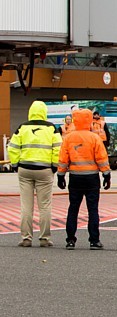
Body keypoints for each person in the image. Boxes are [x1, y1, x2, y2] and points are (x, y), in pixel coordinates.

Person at [7, 101, 62, 247]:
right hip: (44, 170)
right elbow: (58, 149)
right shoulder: (51, 128)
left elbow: (12, 147)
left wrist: (15, 164)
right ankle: (44, 238)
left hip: (25, 169)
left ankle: (26, 238)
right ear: (44, 112)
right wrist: (54, 166)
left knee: (26, 206)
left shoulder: (22, 127)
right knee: (44, 206)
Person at [57, 108, 111, 250]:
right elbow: (102, 158)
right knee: (92, 209)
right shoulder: (94, 138)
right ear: (89, 120)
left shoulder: (69, 137)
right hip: (92, 178)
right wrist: (106, 174)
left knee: (73, 209)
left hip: (75, 178)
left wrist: (60, 175)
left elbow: (63, 158)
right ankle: (94, 240)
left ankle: (70, 240)